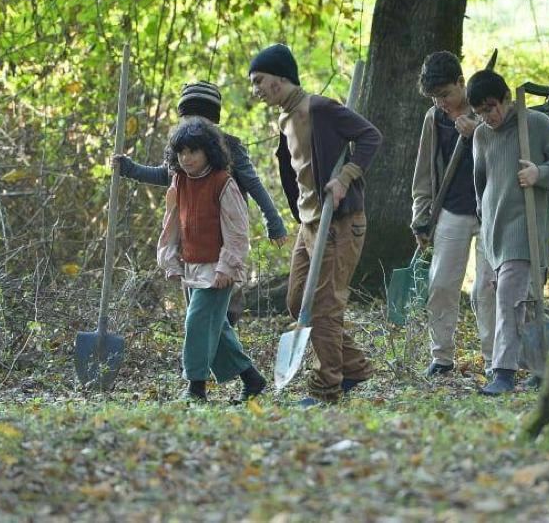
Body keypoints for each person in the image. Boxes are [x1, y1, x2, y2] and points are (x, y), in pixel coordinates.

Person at [248, 43, 382, 407]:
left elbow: (370, 136)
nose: (256, 90)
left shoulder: (320, 109)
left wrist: (346, 178)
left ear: (280, 78)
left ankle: (328, 387)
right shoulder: (285, 118)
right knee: (296, 302)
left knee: (324, 304)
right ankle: (354, 367)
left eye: (259, 81)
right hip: (310, 224)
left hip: (339, 223)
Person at [115, 81, 289, 325]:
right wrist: (129, 169)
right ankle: (210, 349)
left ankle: (218, 346)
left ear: (213, 121)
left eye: (201, 119)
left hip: (225, 234)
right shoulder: (182, 149)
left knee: (224, 302)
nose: (194, 124)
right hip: (194, 238)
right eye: (188, 118)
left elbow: (253, 184)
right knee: (196, 304)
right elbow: (164, 175)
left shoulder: (229, 147)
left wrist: (274, 222)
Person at [469, 70, 549, 395]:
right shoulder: (481, 136)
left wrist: (541, 172)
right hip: (494, 230)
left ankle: (502, 373)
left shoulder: (536, 124)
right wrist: (483, 217)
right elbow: (480, 182)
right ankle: (542, 369)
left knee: (509, 300)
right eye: (479, 112)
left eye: (491, 108)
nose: (488, 117)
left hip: (526, 228)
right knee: (524, 303)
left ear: (505, 98)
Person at [156, 117, 267, 403]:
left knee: (196, 323)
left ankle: (195, 388)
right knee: (216, 330)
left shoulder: (222, 182)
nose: (186, 157)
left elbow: (237, 229)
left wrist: (227, 266)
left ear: (208, 151)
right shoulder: (179, 181)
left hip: (217, 269)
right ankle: (252, 378)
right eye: (181, 152)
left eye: (193, 151)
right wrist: (170, 259)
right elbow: (173, 224)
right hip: (191, 266)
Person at [410, 51, 496, 377]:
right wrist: (421, 216)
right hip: (450, 212)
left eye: (445, 94)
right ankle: (442, 356)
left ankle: (494, 360)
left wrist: (479, 134)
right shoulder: (434, 119)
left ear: (461, 82)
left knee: (487, 288)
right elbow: (423, 174)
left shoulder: (487, 109)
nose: (442, 102)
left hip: (489, 212)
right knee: (442, 285)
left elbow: (505, 151)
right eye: (435, 97)